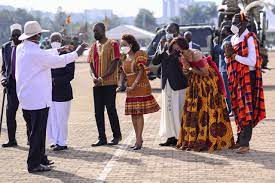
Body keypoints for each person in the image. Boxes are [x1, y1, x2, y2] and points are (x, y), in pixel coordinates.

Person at [16, 21, 87, 173]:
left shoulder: (21, 48)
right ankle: (34, 163)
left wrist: (60, 49)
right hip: (38, 99)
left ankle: (41, 159)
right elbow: (58, 62)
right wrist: (77, 53)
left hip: (26, 98)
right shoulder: (35, 52)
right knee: (37, 132)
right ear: (37, 35)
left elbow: (44, 55)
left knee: (34, 131)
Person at [175, 37, 235, 152]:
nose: (176, 52)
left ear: (182, 47)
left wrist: (190, 68)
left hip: (207, 85)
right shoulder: (182, 57)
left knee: (207, 110)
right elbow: (187, 73)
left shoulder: (196, 53)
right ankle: (194, 139)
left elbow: (205, 73)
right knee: (195, 112)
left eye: (177, 49)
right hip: (194, 85)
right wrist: (185, 68)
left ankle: (210, 140)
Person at [224, 13, 266, 154]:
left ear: (243, 24)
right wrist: (228, 56)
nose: (232, 24)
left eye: (235, 22)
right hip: (236, 79)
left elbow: (253, 62)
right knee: (237, 109)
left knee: (246, 110)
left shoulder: (250, 38)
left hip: (248, 78)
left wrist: (234, 56)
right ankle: (239, 140)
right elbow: (228, 60)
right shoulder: (234, 38)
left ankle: (245, 143)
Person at [120, 34, 160, 150]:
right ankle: (138, 138)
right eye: (121, 45)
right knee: (133, 113)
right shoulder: (123, 58)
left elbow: (141, 72)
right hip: (130, 88)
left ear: (131, 45)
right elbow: (122, 72)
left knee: (139, 112)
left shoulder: (139, 55)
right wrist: (120, 83)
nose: (122, 47)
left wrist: (133, 85)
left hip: (140, 86)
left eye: (124, 45)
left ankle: (138, 139)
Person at [152, 23, 189, 147]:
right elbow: (155, 61)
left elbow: (184, 60)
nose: (167, 32)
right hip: (166, 83)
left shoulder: (181, 43)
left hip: (178, 83)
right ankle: (170, 137)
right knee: (168, 111)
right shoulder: (162, 44)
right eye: (166, 30)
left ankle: (181, 137)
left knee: (178, 110)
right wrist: (162, 48)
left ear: (177, 31)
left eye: (170, 30)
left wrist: (175, 50)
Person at [87, 23, 122, 147]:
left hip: (109, 83)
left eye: (96, 31)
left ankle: (116, 135)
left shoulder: (113, 44)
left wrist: (102, 77)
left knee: (111, 109)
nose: (94, 33)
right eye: (93, 31)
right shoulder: (93, 46)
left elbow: (114, 63)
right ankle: (102, 137)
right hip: (97, 84)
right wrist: (94, 77)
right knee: (98, 112)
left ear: (103, 30)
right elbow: (90, 64)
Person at [46, 32, 75, 151]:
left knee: (61, 119)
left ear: (61, 41)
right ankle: (54, 140)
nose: (55, 41)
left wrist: (54, 81)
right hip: (50, 93)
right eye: (53, 39)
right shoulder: (48, 55)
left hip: (63, 93)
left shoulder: (67, 55)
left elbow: (70, 75)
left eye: (57, 39)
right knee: (52, 119)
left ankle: (62, 142)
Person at [1, 23, 27, 147]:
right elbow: (3, 68)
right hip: (11, 85)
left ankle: (30, 139)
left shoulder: (26, 47)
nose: (16, 38)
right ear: (10, 36)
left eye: (18, 35)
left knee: (28, 113)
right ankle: (12, 139)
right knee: (10, 113)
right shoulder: (5, 47)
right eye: (13, 35)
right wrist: (3, 78)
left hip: (25, 85)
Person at [219, 25, 233, 115]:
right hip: (226, 68)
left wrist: (215, 44)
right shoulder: (230, 38)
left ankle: (231, 109)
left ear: (227, 31)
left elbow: (220, 51)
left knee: (227, 91)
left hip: (225, 69)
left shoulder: (227, 40)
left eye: (223, 30)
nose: (221, 31)